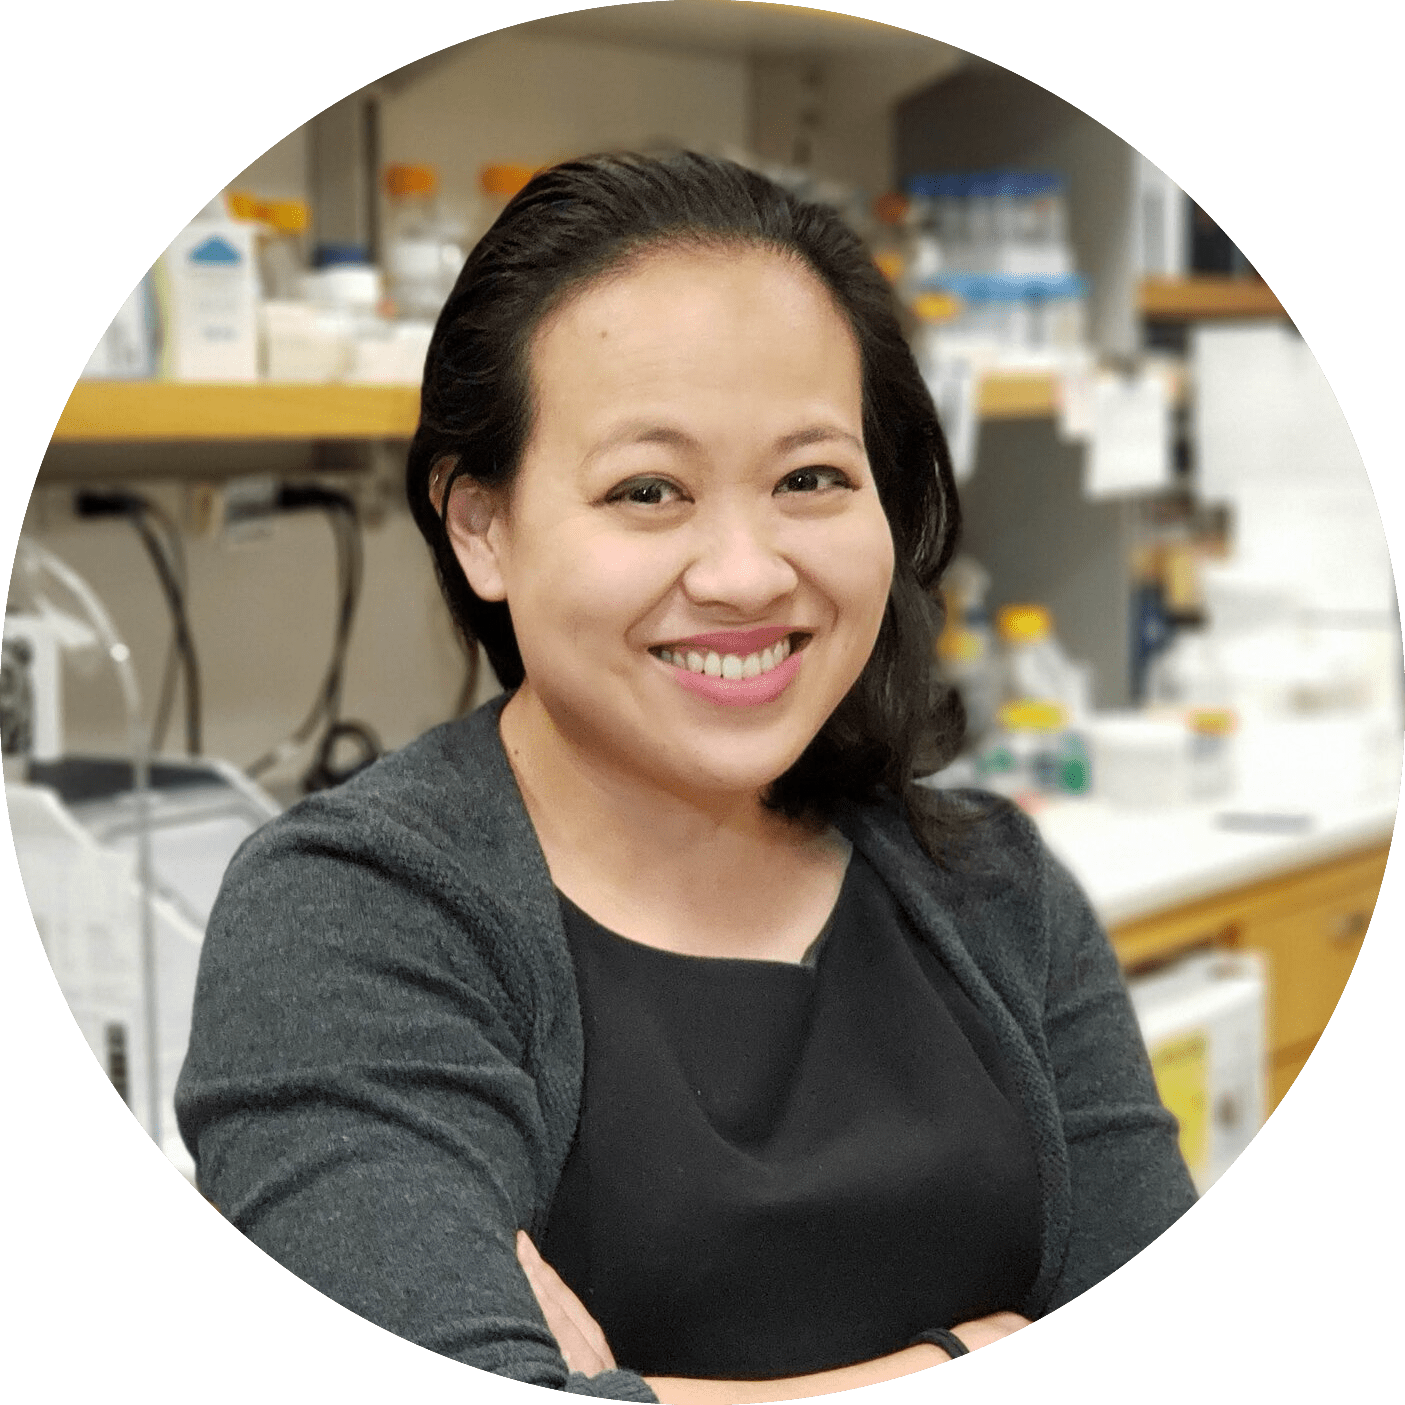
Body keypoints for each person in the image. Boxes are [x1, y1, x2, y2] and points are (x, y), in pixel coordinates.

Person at [177, 151, 1196, 1403]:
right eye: (647, 489)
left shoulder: (993, 890)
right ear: (481, 526)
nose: (745, 573)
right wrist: (965, 1352)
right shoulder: (349, 912)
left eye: (810, 478)